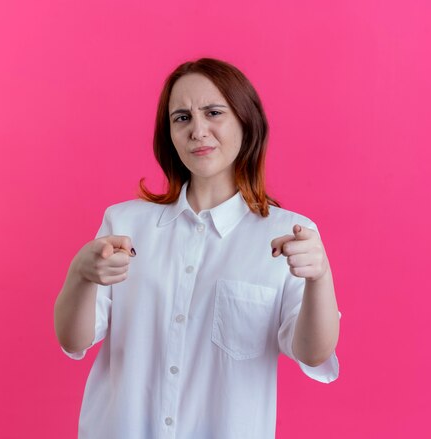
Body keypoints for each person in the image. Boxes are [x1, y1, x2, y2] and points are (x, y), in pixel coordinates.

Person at [54, 57, 341, 439]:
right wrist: (80, 275)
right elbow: (74, 340)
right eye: (182, 117)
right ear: (169, 134)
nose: (198, 130)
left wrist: (321, 277)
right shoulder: (124, 225)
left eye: (213, 112)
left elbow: (313, 353)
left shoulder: (290, 236)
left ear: (245, 120)